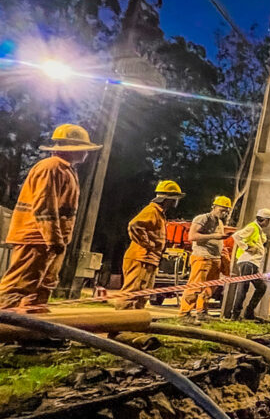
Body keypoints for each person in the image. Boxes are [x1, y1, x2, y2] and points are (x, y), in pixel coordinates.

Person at [0, 125, 101, 312]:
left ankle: (31, 330)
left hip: (49, 241)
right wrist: (53, 239)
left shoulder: (66, 170)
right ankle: (4, 324)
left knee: (42, 286)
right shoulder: (51, 168)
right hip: (36, 238)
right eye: (84, 147)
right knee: (19, 285)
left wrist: (58, 241)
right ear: (72, 149)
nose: (87, 152)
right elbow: (44, 208)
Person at [114, 180, 184, 310]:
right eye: (175, 198)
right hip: (141, 258)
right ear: (167, 199)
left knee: (143, 294)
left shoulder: (159, 214)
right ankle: (120, 323)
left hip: (149, 259)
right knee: (132, 293)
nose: (176, 202)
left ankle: (133, 323)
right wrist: (149, 244)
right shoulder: (152, 211)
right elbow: (134, 225)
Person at [178, 195, 232, 324]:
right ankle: (184, 313)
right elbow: (192, 236)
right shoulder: (202, 218)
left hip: (214, 258)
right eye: (222, 210)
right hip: (202, 256)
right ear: (213, 207)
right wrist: (215, 236)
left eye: (226, 211)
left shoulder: (219, 222)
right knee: (195, 287)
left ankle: (202, 312)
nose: (224, 213)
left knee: (209, 288)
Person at [227, 208, 270, 321]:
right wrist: (247, 248)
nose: (268, 224)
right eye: (268, 221)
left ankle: (248, 312)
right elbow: (236, 236)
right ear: (264, 220)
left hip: (252, 263)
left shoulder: (258, 230)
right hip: (247, 262)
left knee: (261, 287)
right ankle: (236, 314)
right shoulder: (253, 227)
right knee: (243, 287)